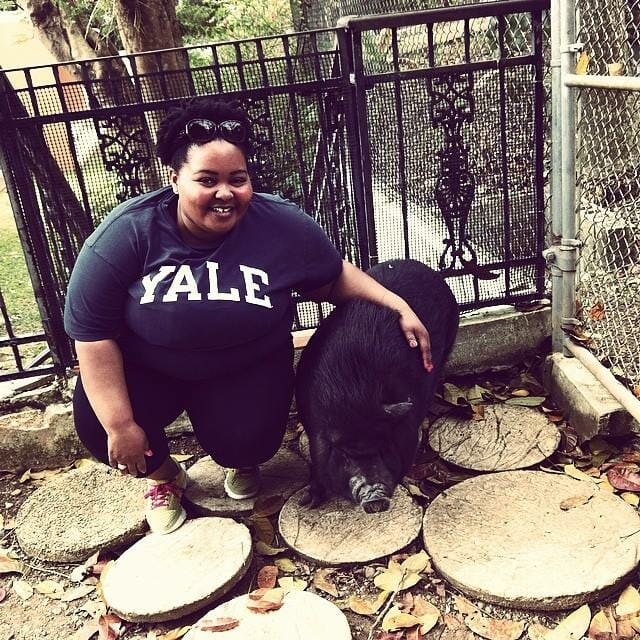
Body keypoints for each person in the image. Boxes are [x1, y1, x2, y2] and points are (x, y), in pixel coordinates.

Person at [64, 97, 432, 535]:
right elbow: (92, 335)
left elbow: (332, 279)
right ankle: (166, 479)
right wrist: (121, 424)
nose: (225, 193)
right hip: (150, 369)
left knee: (251, 441)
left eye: (237, 179)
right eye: (207, 179)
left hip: (245, 367)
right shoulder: (126, 234)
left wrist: (397, 304)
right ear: (175, 178)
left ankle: (239, 458)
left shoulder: (280, 225)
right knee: (96, 420)